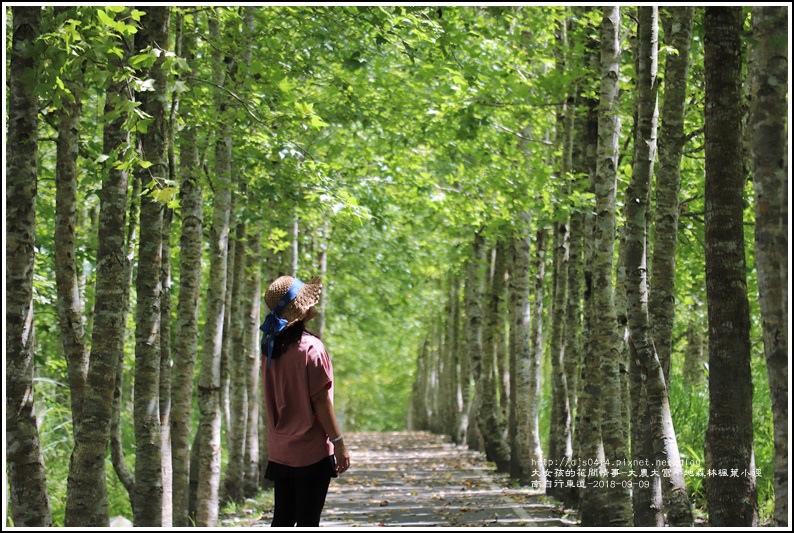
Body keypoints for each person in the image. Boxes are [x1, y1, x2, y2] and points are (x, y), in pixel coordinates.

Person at [259, 275, 350, 527]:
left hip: (281, 450)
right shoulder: (312, 348)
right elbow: (320, 401)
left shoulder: (270, 348)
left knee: (283, 519)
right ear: (301, 309)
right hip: (311, 450)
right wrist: (339, 443)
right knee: (309, 521)